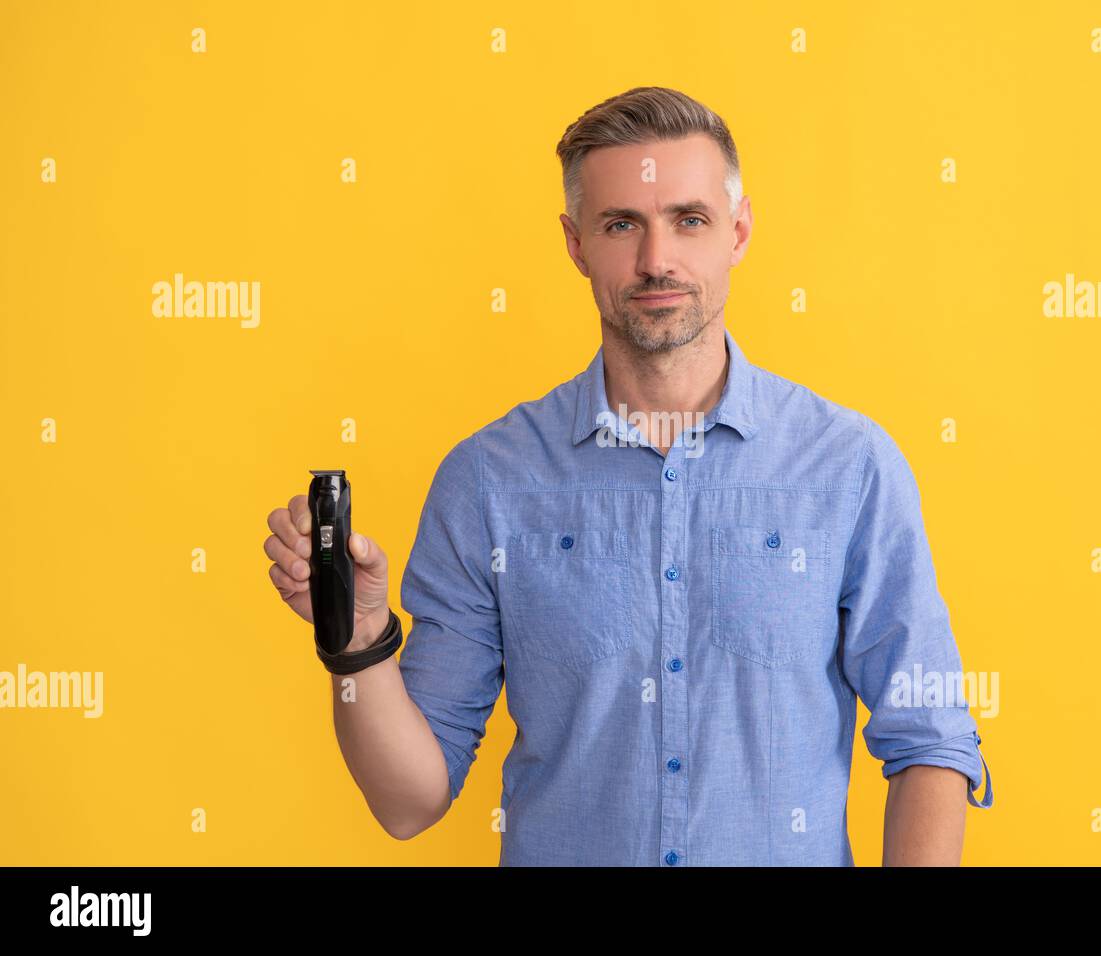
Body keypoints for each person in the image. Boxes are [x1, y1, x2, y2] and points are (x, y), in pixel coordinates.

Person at [264, 86, 993, 866]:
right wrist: (358, 638)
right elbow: (409, 801)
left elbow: (929, 738)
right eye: (622, 225)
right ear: (576, 243)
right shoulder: (487, 481)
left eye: (690, 219)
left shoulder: (849, 468)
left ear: (738, 232)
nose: (657, 261)